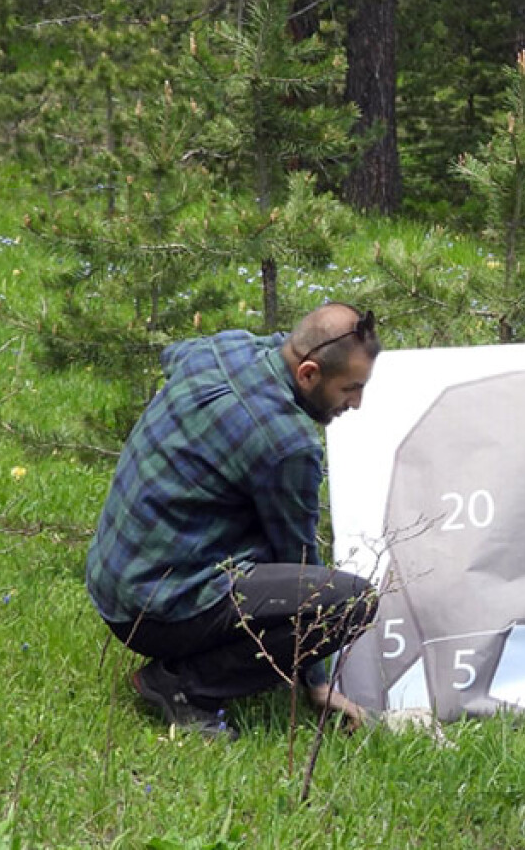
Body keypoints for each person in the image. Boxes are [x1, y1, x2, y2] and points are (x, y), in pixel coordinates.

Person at [86, 303, 382, 739]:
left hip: (112, 580)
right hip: (153, 613)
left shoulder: (221, 348)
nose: (356, 403)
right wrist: (316, 681)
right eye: (349, 389)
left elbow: (174, 354)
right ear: (308, 375)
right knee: (350, 604)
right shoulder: (288, 445)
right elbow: (301, 560)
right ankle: (184, 686)